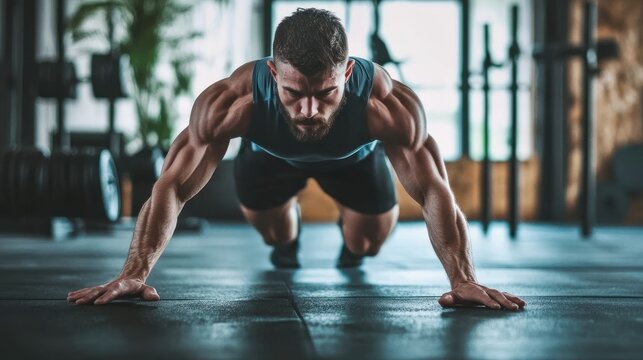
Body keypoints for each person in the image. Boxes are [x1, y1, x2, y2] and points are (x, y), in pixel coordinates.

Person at [67, 8, 525, 310]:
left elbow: (433, 188)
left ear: (347, 72)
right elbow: (171, 185)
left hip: (354, 161)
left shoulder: (386, 105)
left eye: (326, 93)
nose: (309, 110)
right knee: (274, 233)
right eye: (292, 93)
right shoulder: (235, 101)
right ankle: (290, 230)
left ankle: (351, 226)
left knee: (367, 243)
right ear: (273, 72)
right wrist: (133, 273)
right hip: (270, 160)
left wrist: (463, 278)